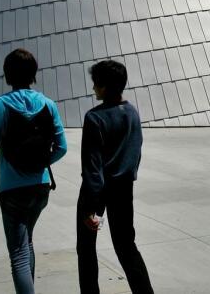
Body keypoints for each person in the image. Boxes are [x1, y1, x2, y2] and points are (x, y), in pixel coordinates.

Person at [0, 49, 68, 294]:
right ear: (34, 74)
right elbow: (62, 147)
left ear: (7, 75)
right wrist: (41, 163)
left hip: (13, 192)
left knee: (19, 254)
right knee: (26, 243)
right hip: (41, 188)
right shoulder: (49, 105)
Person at [77, 59, 154, 294]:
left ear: (105, 87)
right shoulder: (132, 113)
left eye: (96, 84)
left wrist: (92, 207)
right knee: (126, 246)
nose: (93, 89)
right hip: (123, 190)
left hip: (96, 193)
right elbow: (135, 152)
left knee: (87, 248)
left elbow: (92, 166)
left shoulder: (94, 118)